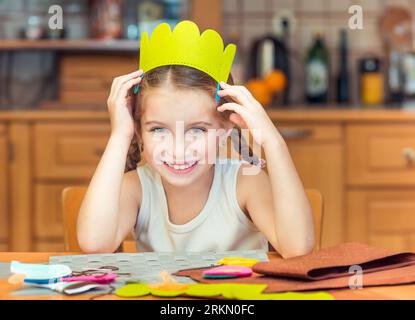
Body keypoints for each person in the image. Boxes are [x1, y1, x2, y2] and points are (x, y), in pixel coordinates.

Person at [77, 21, 314, 257]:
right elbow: (95, 244)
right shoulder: (138, 187)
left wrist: (273, 142)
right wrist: (120, 135)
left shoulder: (245, 183)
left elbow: (297, 248)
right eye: (158, 129)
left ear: (225, 127)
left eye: (197, 130)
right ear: (138, 130)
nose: (178, 150)